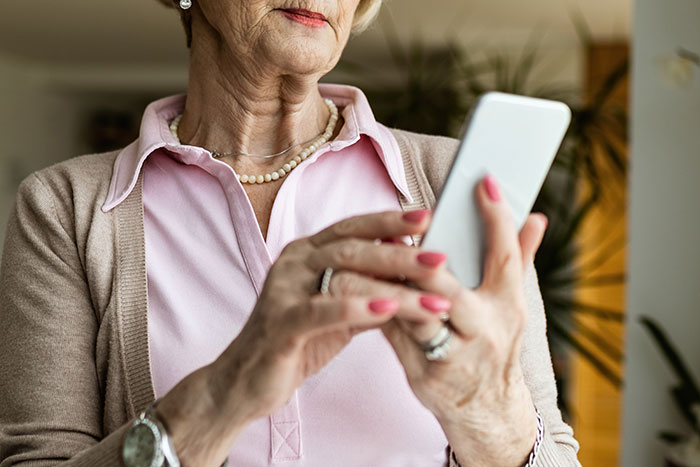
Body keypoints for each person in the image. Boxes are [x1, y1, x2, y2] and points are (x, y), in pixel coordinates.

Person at [0, 0, 581, 465]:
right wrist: (224, 393)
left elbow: (550, 451)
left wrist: (489, 414)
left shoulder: (452, 182)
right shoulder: (65, 209)